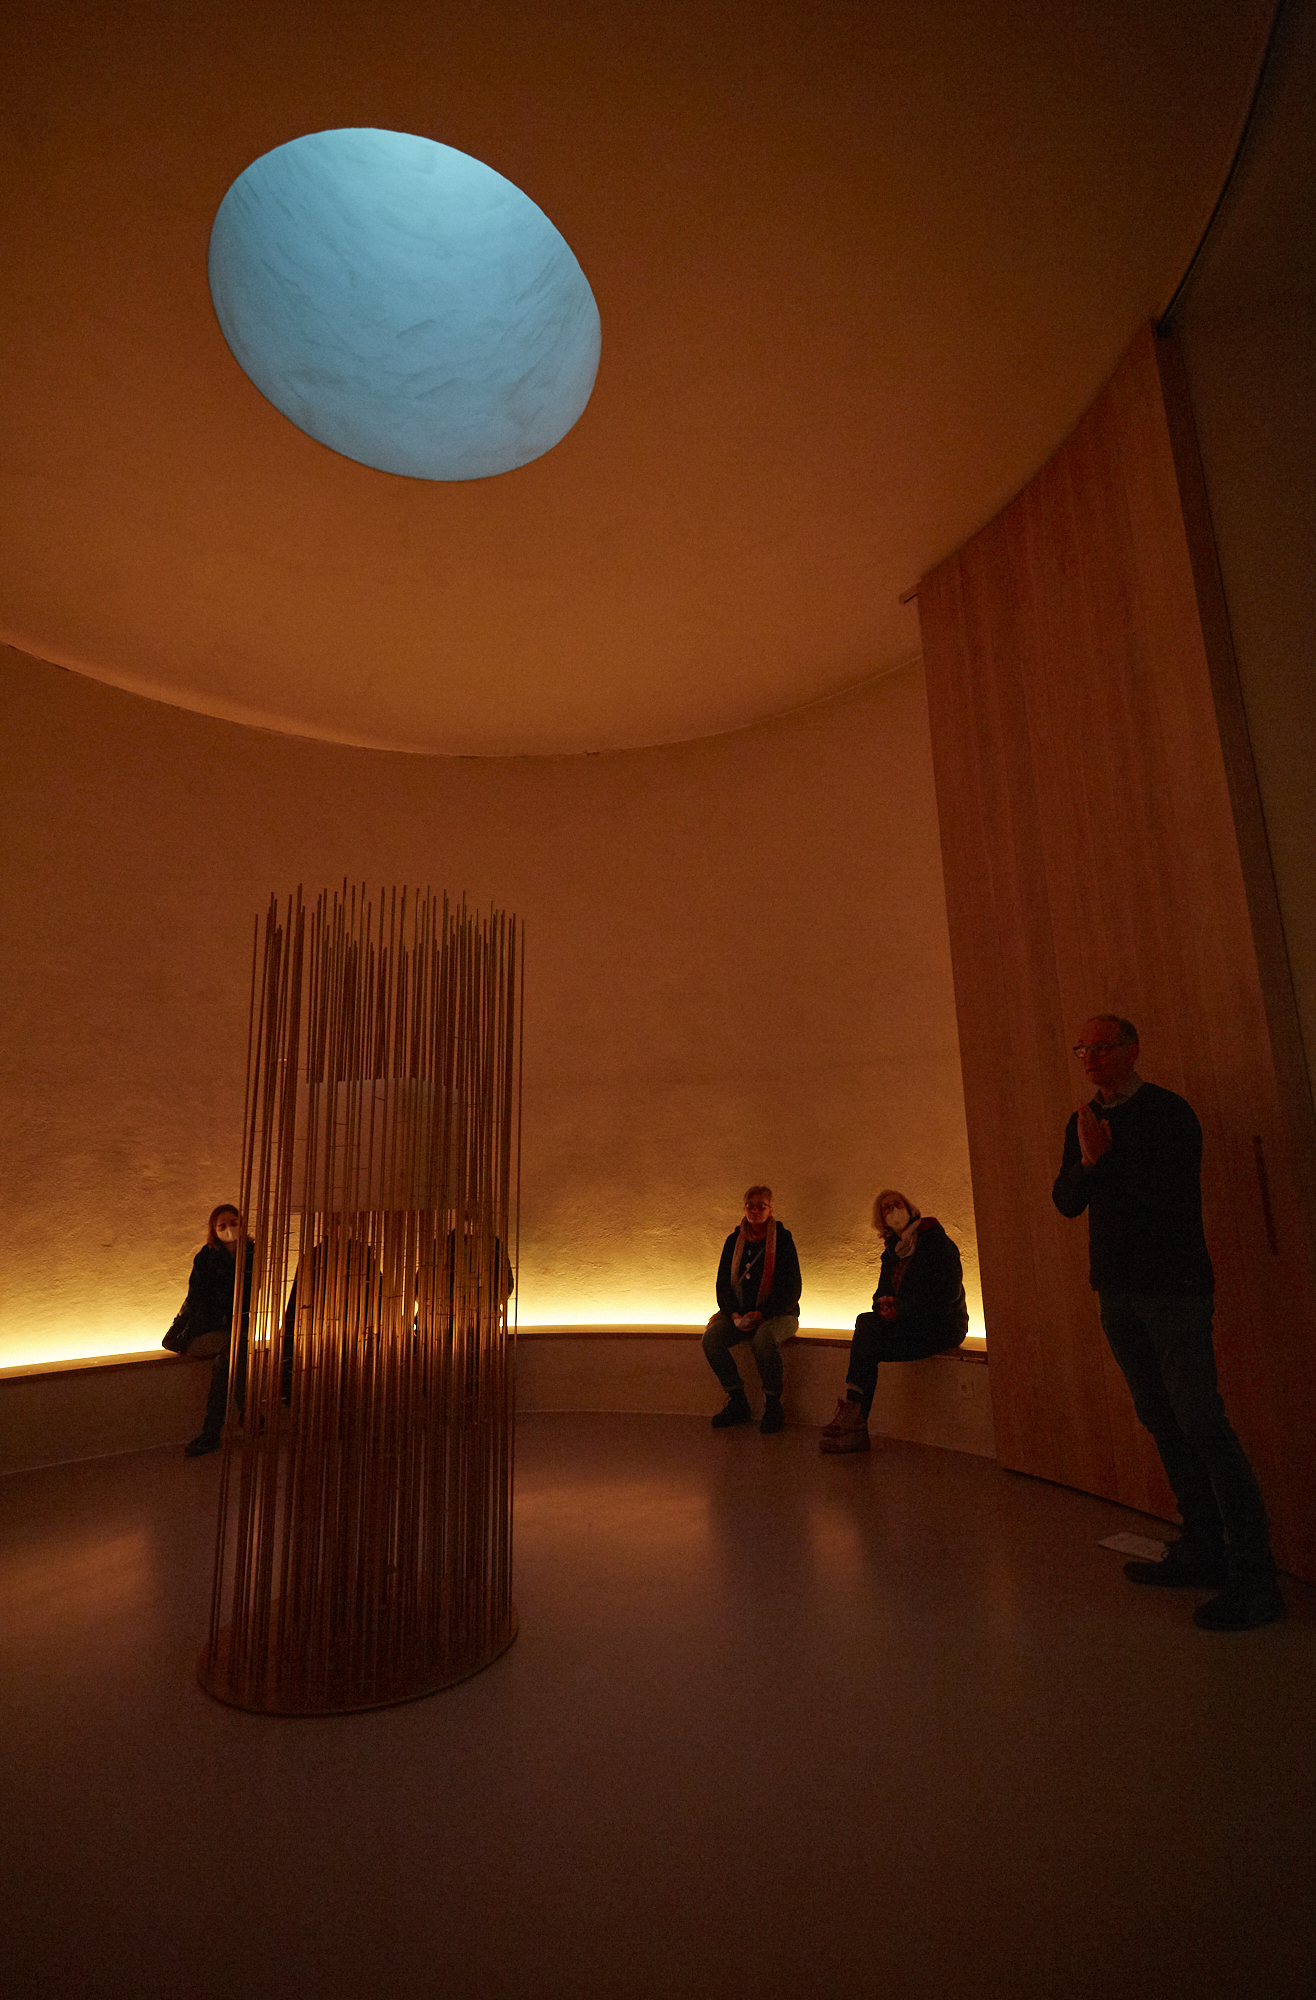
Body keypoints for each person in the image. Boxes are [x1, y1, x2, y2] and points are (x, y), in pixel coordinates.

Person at [1052, 1015, 1284, 1631]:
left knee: (1201, 1421)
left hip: (1173, 1289)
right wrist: (1089, 1162)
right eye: (1082, 1049)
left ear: (1132, 1051)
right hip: (1117, 1291)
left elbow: (1171, 1195)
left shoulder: (1168, 1112)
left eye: (1102, 1047)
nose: (1090, 1058)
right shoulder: (1083, 1120)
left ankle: (1256, 1578)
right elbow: (1067, 1200)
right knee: (1160, 1417)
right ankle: (1201, 1548)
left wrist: (1104, 1161)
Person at [820, 1190, 968, 1454]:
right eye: (886, 1208)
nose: (893, 1210)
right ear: (882, 1220)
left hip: (942, 1326)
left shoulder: (936, 1241)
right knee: (866, 1325)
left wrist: (902, 1309)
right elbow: (881, 1291)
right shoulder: (892, 1251)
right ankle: (855, 1417)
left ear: (909, 1208)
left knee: (867, 1340)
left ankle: (854, 1420)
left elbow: (947, 1294)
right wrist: (883, 1304)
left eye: (897, 1204)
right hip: (910, 1325)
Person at [702, 1185, 801, 1434]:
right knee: (711, 1339)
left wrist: (762, 1314)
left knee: (763, 1339)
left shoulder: (782, 1240)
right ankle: (737, 1401)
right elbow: (723, 1285)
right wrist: (734, 1314)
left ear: (770, 1209)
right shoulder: (734, 1241)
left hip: (779, 1314)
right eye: (750, 1206)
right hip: (740, 1315)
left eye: (761, 1206)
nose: (755, 1211)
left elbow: (792, 1289)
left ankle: (773, 1404)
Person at [181, 1204, 254, 1458]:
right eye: (222, 1226)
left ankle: (211, 1434)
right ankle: (249, 1410)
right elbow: (198, 1301)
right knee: (235, 1346)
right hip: (203, 1333)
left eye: (233, 1223)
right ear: (214, 1230)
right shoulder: (206, 1258)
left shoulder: (252, 1255)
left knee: (225, 1363)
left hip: (235, 1335)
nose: (229, 1229)